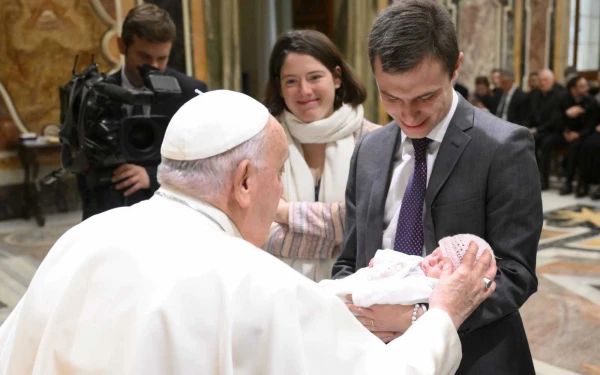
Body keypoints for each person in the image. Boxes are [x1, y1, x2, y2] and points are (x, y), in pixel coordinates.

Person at [0, 90, 498, 375]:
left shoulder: (86, 236)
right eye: (277, 173)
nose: (280, 190)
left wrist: (335, 294)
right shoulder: (255, 281)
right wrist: (445, 313)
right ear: (243, 182)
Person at [333, 1, 542, 374]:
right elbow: (350, 258)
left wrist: (421, 318)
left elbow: (516, 273)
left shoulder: (502, 147)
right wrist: (356, 310)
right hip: (377, 355)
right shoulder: (370, 149)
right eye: (391, 98)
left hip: (473, 353)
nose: (408, 115)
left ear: (456, 66)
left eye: (425, 97)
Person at [262, 30, 380, 282]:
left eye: (314, 77)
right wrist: (337, 241)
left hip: (353, 292)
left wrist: (284, 213)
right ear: (280, 87)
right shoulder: (263, 140)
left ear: (337, 78)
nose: (304, 91)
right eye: (291, 81)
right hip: (276, 291)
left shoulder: (374, 140)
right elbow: (255, 227)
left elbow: (367, 221)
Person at [76, 3, 208, 221]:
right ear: (121, 45)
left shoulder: (190, 93)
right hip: (107, 216)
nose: (154, 67)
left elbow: (203, 164)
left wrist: (152, 176)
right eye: (145, 57)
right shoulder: (94, 93)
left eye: (162, 58)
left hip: (171, 217)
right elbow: (81, 167)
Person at [321, 234, 492, 307]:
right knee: (326, 288)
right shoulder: (421, 262)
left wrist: (360, 296)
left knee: (334, 298)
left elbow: (395, 292)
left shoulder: (430, 287)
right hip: (363, 278)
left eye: (440, 265)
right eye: (434, 253)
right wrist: (380, 259)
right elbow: (398, 256)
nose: (431, 260)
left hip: (367, 297)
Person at [557, 75, 598, 196]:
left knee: (581, 145)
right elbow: (556, 119)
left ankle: (578, 182)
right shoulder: (564, 99)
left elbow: (591, 125)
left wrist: (578, 134)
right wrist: (566, 121)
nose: (586, 89)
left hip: (585, 133)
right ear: (573, 89)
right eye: (582, 86)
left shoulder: (591, 100)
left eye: (586, 86)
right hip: (566, 132)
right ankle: (568, 182)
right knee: (549, 141)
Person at [528, 69, 565, 190]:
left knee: (545, 143)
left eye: (545, 80)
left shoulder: (559, 95)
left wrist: (537, 129)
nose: (542, 83)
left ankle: (544, 179)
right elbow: (531, 114)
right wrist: (528, 128)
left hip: (555, 132)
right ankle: (531, 176)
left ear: (552, 81)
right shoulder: (535, 94)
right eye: (541, 80)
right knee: (528, 140)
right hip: (539, 130)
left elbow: (555, 120)